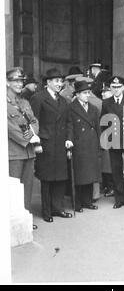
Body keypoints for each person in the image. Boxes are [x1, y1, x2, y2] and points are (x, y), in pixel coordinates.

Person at [30, 68, 73, 222]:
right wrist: (37, 143)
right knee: (47, 179)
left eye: (61, 81)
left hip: (61, 144)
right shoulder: (38, 98)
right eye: (56, 81)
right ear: (48, 82)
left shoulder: (64, 101)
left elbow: (69, 122)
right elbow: (33, 122)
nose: (59, 84)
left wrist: (69, 138)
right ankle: (47, 211)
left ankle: (58, 209)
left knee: (60, 178)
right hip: (46, 145)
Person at [7, 67, 41, 230]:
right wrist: (29, 137)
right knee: (13, 188)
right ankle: (12, 221)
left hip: (28, 152)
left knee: (27, 187)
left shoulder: (24, 102)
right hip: (14, 152)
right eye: (16, 81)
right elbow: (9, 128)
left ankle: (25, 218)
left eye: (21, 81)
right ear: (7, 82)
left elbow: (34, 121)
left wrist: (32, 134)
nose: (20, 84)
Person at [101, 76, 124, 209]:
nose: (116, 89)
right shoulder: (106, 103)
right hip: (114, 140)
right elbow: (103, 122)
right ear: (110, 88)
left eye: (118, 87)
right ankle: (119, 198)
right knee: (116, 171)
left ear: (123, 87)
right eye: (113, 87)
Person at [66, 78, 101, 212]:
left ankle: (88, 201)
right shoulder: (71, 108)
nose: (88, 95)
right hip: (78, 146)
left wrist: (99, 145)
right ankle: (78, 203)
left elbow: (97, 128)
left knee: (90, 175)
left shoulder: (93, 108)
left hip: (91, 144)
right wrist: (69, 142)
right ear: (78, 94)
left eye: (88, 93)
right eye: (85, 93)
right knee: (79, 177)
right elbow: (69, 126)